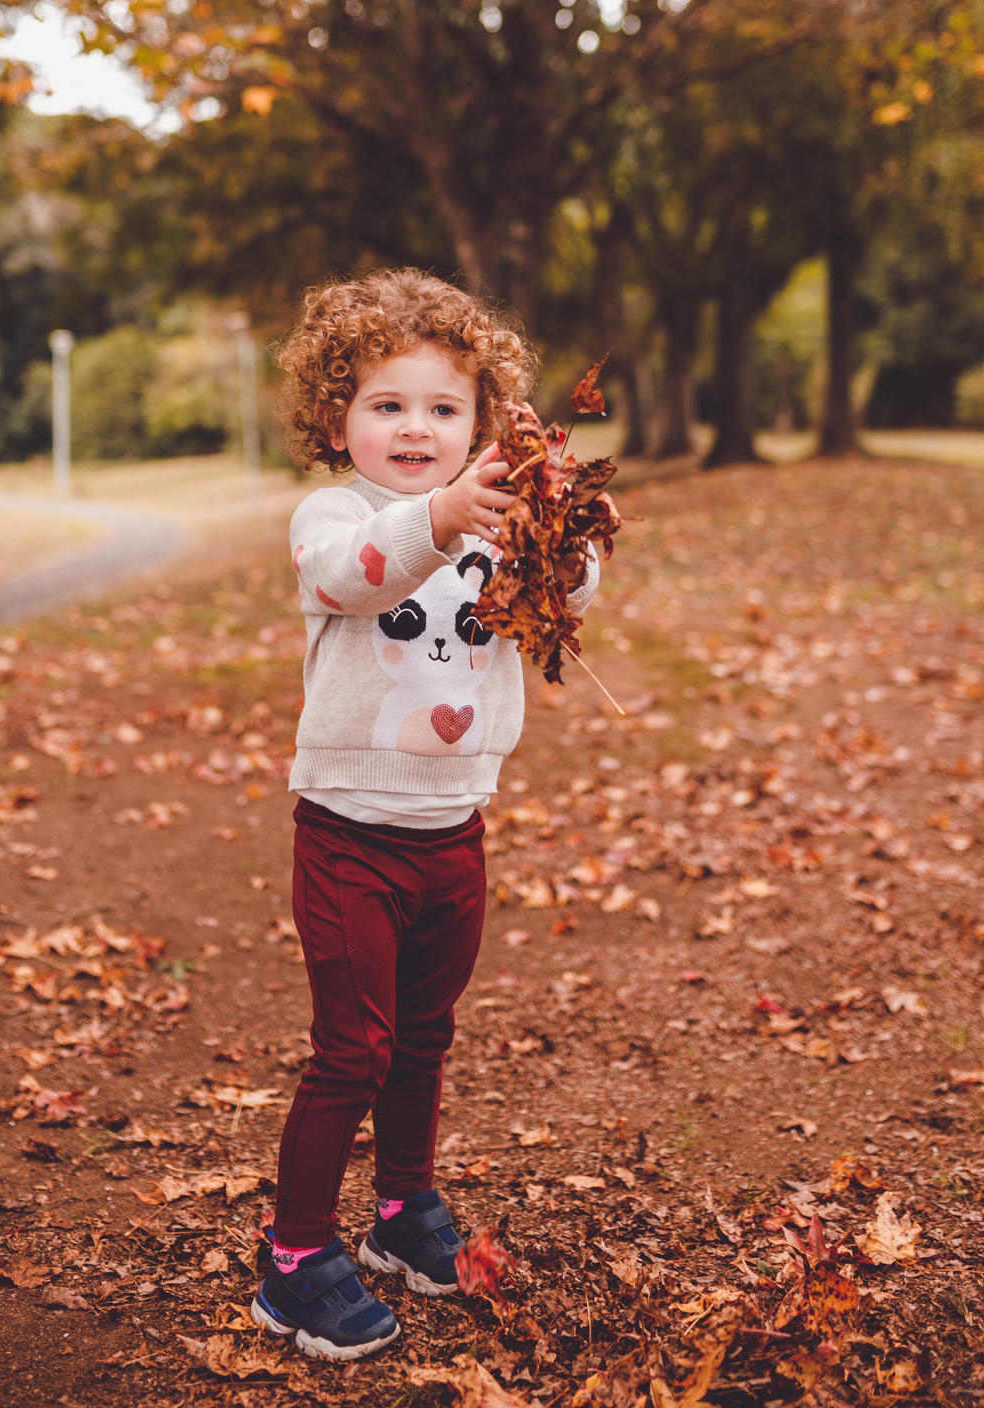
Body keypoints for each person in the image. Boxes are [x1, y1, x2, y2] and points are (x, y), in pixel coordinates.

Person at [251, 270, 598, 1362]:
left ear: (481, 424)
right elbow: (351, 577)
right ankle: (295, 1257)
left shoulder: (495, 517)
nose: (416, 428)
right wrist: (439, 520)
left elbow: (569, 594)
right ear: (335, 420)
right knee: (352, 1049)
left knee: (424, 1035)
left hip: (457, 831)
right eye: (386, 404)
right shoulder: (336, 517)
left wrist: (562, 525)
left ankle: (403, 1209)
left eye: (445, 409)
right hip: (349, 836)